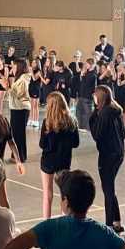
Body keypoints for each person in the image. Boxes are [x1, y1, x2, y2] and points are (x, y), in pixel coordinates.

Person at [89, 85, 125, 232]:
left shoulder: (104, 113)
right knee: (109, 187)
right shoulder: (116, 110)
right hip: (118, 152)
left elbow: (97, 134)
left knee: (108, 189)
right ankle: (116, 221)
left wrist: (94, 113)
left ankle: (109, 224)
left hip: (108, 154)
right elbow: (123, 133)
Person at [39, 91, 79, 219]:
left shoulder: (47, 123)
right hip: (64, 161)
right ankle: (65, 218)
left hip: (48, 161)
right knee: (64, 193)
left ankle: (46, 221)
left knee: (47, 193)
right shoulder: (72, 122)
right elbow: (76, 143)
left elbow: (42, 144)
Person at [8, 59, 31, 163]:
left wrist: (7, 87)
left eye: (14, 66)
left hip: (21, 109)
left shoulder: (23, 79)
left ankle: (20, 157)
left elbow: (19, 94)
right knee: (16, 133)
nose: (12, 68)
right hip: (16, 108)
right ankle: (16, 156)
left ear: (19, 67)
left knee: (19, 134)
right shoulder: (19, 78)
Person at [76, 59, 97, 131]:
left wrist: (82, 75)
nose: (85, 65)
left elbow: (88, 84)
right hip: (81, 95)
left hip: (87, 97)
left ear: (91, 65)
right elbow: (81, 83)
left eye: (87, 64)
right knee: (79, 111)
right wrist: (82, 75)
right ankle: (80, 126)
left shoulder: (93, 74)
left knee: (87, 113)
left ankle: (88, 127)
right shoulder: (86, 73)